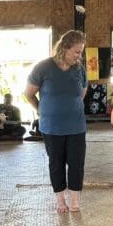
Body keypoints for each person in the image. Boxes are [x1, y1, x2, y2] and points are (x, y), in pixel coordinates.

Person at [24, 30, 88, 212]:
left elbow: (81, 94)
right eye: (77, 51)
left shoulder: (79, 69)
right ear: (65, 48)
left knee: (76, 163)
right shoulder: (43, 68)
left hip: (76, 125)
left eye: (81, 51)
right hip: (51, 127)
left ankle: (74, 200)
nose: (79, 56)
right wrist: (42, 111)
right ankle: (60, 200)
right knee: (56, 162)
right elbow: (28, 94)